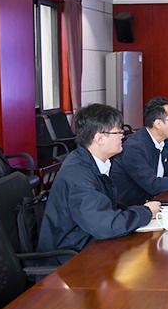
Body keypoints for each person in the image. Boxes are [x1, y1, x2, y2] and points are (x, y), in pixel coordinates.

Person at [37, 104, 160, 262]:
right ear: (99, 138)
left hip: (88, 242)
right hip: (70, 259)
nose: (122, 136)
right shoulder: (78, 175)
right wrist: (146, 212)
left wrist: (139, 210)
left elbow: (106, 209)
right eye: (118, 132)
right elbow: (105, 225)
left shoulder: (91, 162)